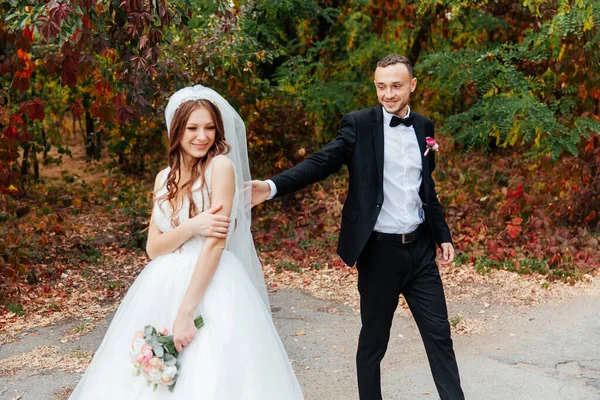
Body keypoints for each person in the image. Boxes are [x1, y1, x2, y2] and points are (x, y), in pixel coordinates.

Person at [70, 85, 304, 399]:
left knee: (210, 372)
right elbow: (154, 248)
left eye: (209, 128)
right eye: (192, 128)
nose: (201, 136)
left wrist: (186, 313)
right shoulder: (162, 177)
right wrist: (192, 226)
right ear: (177, 131)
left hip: (212, 281)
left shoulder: (220, 167)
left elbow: (216, 244)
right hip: (163, 280)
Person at [252, 54, 464, 400]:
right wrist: (272, 187)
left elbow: (428, 189)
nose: (388, 94)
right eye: (381, 86)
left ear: (412, 85)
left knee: (440, 334)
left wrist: (442, 235)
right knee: (374, 342)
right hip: (379, 253)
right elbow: (321, 162)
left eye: (396, 86)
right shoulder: (359, 124)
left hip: (421, 252)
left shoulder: (424, 127)